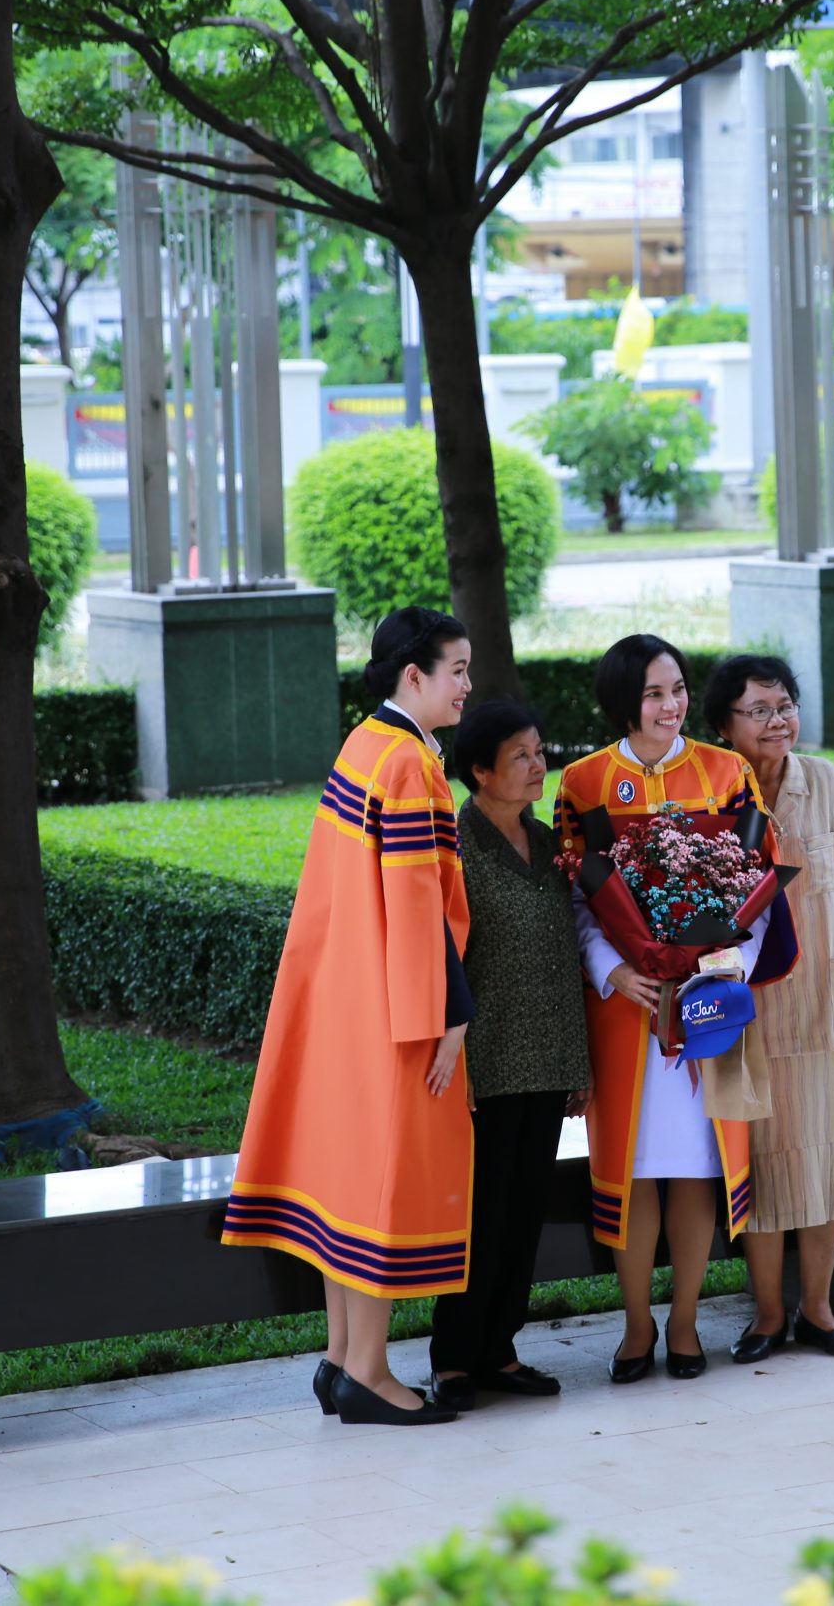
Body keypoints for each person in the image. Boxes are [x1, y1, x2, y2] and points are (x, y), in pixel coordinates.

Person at [222, 607, 475, 1426]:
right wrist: (448, 1018)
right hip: (395, 1012)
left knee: (347, 1188)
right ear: (415, 675)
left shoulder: (364, 743)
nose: (468, 685)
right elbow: (417, 908)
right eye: (458, 670)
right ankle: (368, 1370)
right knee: (382, 1189)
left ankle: (340, 1359)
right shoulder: (407, 764)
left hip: (344, 998)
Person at [555, 634, 773, 1381]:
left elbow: (758, 882)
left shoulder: (727, 773)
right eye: (653, 693)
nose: (671, 704)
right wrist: (614, 970)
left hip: (708, 1003)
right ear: (624, 702)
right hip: (627, 1013)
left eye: (677, 688)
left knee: (694, 1163)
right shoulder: (583, 784)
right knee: (635, 1168)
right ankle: (636, 1324)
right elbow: (575, 896)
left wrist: (725, 965)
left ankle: (683, 1322)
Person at [702, 654, 834, 1365]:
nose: (777, 720)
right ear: (724, 725)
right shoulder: (713, 794)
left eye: (784, 705)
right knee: (760, 1165)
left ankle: (818, 1311)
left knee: (827, 1160)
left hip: (828, 1006)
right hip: (749, 1013)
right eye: (759, 710)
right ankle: (767, 1315)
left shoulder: (830, 782)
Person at [428, 698, 590, 1411]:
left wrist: (577, 1063)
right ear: (480, 772)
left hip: (547, 1056)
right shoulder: (454, 846)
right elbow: (441, 958)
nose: (537, 765)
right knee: (482, 1215)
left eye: (539, 751)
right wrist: (454, 1057)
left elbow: (566, 953)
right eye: (519, 755)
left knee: (524, 1211)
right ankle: (454, 1358)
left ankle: (500, 1350)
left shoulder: (550, 844)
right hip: (485, 1062)